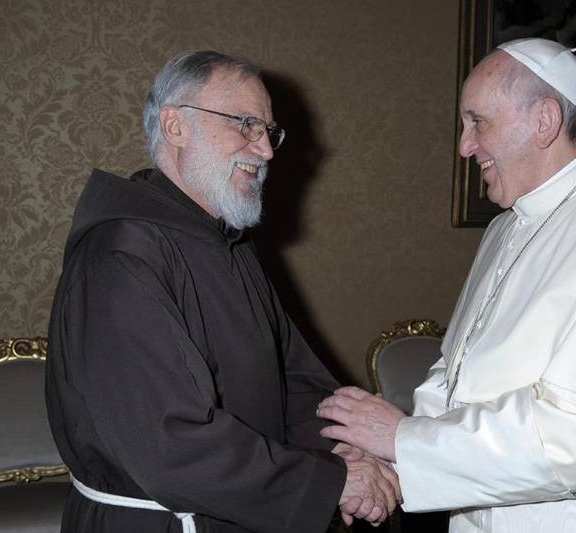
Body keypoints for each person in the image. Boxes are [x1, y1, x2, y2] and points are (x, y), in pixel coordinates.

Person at [316, 38, 576, 532]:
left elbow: (571, 442)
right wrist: (385, 455)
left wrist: (402, 441)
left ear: (544, 122)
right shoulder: (508, 225)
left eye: (478, 121)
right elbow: (455, 373)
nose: (464, 145)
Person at [45, 50, 399, 533]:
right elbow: (168, 445)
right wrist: (332, 482)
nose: (266, 150)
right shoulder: (119, 256)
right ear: (175, 127)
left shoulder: (227, 241)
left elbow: (288, 378)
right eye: (246, 124)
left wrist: (344, 442)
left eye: (268, 131)